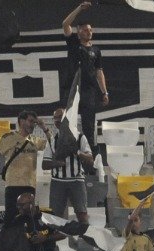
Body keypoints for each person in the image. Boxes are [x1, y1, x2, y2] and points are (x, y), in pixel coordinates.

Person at [63, 1, 108, 152]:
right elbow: (65, 24)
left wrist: (104, 92)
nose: (88, 32)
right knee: (70, 122)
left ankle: (91, 158)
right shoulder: (74, 43)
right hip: (73, 89)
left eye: (90, 30)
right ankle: (70, 152)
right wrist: (79, 9)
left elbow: (99, 72)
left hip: (89, 91)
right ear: (78, 32)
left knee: (89, 126)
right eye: (84, 30)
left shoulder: (96, 50)